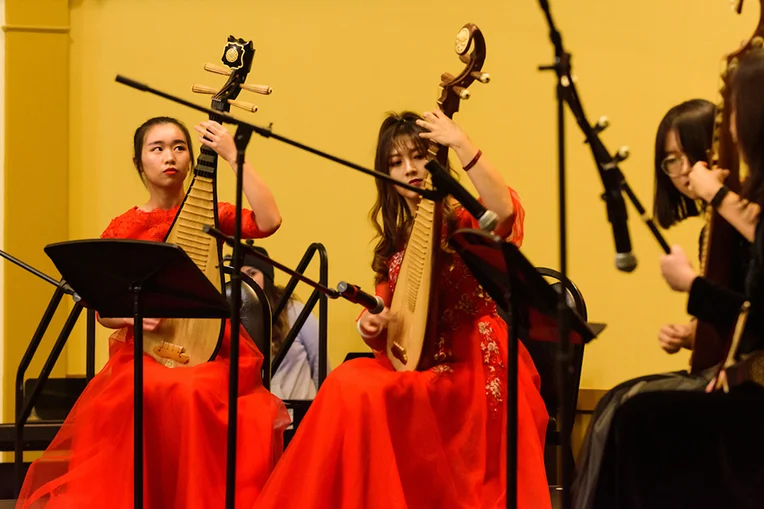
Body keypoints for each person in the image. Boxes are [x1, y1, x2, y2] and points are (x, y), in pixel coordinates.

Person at [255, 109, 550, 509]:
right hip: (422, 363)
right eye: (396, 163)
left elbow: (502, 210)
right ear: (386, 177)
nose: (410, 169)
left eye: (419, 156)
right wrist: (371, 325)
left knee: (363, 390)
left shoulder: (463, 218)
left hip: (474, 365)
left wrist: (460, 142)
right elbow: (385, 315)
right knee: (348, 382)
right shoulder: (395, 244)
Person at [16, 116, 290, 509]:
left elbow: (269, 221)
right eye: (157, 148)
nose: (170, 157)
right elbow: (103, 309)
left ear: (191, 160)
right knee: (140, 392)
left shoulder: (211, 214)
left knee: (197, 391)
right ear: (139, 162)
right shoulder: (124, 227)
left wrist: (234, 157)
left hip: (211, 348)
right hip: (143, 353)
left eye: (179, 147)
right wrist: (132, 316)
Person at [589, 49, 764, 509]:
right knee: (616, 404)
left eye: (696, 154)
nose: (686, 171)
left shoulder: (743, 214)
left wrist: (692, 287)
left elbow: (750, 314)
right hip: (738, 374)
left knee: (632, 412)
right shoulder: (721, 223)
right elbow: (748, 314)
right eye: (671, 161)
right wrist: (694, 332)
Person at [240, 246, 327, 400]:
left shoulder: (295, 311)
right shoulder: (238, 318)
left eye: (252, 273)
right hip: (263, 416)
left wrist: (323, 408)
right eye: (241, 276)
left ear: (266, 277)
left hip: (300, 413)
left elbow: (319, 361)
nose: (247, 281)